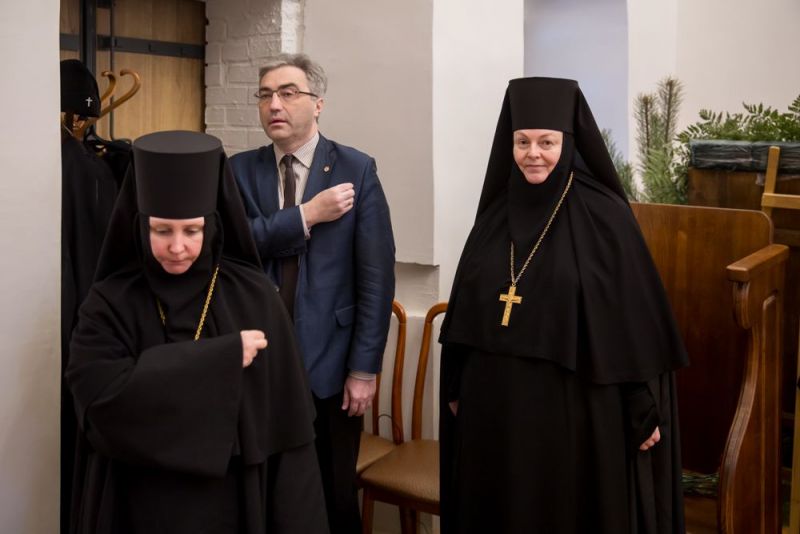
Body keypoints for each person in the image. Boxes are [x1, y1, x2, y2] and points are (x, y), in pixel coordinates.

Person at [438, 77, 688, 533]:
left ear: (569, 142)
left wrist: (638, 404)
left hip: (572, 417)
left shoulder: (605, 216)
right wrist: (455, 382)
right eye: (522, 142)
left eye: (546, 142)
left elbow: (626, 320)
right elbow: (467, 310)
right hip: (496, 417)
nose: (533, 153)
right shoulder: (494, 215)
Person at [66, 130, 328, 534]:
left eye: (192, 230)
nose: (177, 247)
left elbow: (290, 444)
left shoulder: (255, 298)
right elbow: (99, 400)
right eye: (162, 231)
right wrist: (221, 359)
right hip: (134, 504)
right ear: (140, 226)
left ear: (213, 226)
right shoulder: (109, 300)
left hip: (231, 506)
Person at [230, 53, 395, 534]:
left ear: (318, 103)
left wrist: (364, 369)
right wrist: (307, 215)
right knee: (262, 492)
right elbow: (235, 247)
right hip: (258, 360)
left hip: (330, 364)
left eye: (288, 93)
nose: (274, 105)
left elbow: (375, 277)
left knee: (329, 493)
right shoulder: (239, 170)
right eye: (265, 95)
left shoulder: (355, 169)